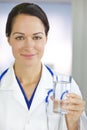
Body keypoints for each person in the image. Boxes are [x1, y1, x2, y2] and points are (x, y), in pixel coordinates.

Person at [0, 2, 87, 130]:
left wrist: (73, 124)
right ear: (8, 39)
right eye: (19, 37)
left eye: (37, 37)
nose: (29, 46)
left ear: (46, 38)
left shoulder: (68, 89)